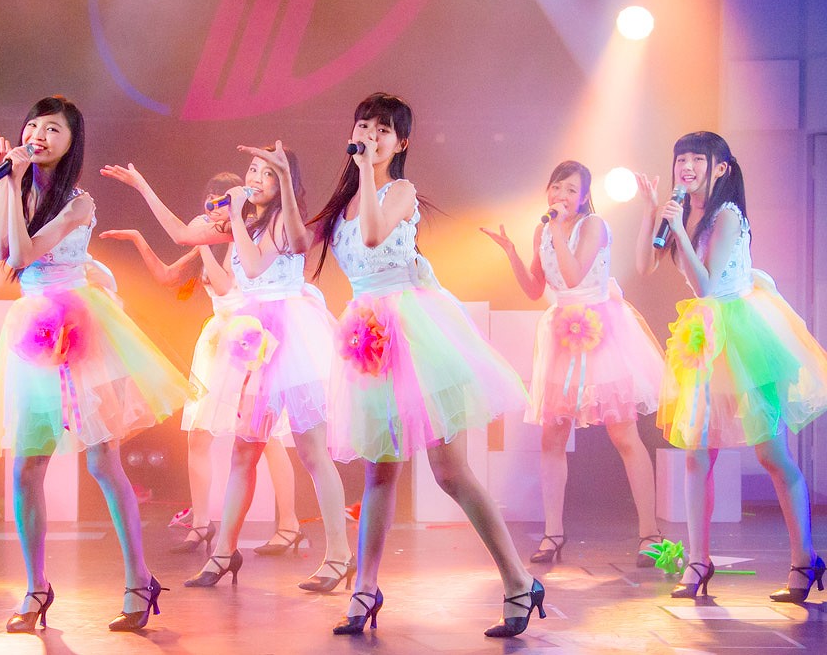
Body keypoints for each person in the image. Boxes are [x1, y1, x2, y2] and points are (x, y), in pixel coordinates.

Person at [310, 92, 542, 638]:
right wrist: (275, 180)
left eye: (383, 130)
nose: (371, 135)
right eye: (364, 126)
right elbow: (297, 243)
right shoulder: (344, 200)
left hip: (415, 333)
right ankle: (365, 589)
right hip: (368, 339)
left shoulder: (399, 191)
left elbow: (373, 237)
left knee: (449, 472)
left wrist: (365, 171)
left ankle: (518, 579)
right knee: (379, 470)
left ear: (401, 142)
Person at [0, 96, 190, 632]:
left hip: (78, 329)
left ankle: (139, 578)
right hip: (32, 333)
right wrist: (6, 183)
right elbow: (2, 250)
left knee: (102, 462)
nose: (39, 135)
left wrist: (10, 180)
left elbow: (24, 254)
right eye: (33, 125)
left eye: (54, 129)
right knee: (26, 468)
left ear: (72, 142)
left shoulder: (79, 202)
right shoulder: (14, 186)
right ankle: (35, 587)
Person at [101, 144, 352, 592]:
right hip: (254, 339)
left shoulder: (284, 221)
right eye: (252, 169)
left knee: (313, 451)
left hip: (292, 337)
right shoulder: (245, 219)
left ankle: (339, 556)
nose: (255, 179)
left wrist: (235, 215)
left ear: (284, 183)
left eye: (268, 173)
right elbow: (183, 234)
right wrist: (142, 186)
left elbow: (253, 266)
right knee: (243, 451)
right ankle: (222, 553)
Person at [635, 131, 827, 602]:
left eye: (698, 159)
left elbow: (705, 285)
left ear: (719, 168)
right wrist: (651, 214)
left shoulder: (726, 215)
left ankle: (805, 558)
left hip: (744, 336)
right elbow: (644, 267)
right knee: (696, 453)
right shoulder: (682, 212)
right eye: (681, 158)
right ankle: (699, 562)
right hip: (705, 338)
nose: (687, 166)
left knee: (770, 454)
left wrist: (679, 229)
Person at [100, 172, 302, 556]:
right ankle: (201, 524)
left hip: (248, 339)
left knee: (268, 435)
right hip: (216, 343)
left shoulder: (243, 236)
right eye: (210, 199)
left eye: (222, 200)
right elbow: (166, 277)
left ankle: (289, 524)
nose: (214, 207)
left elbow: (225, 286)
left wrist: (205, 242)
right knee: (198, 435)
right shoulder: (209, 239)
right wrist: (139, 239)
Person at [481, 161, 664, 566]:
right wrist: (513, 253)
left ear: (583, 198)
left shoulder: (593, 225)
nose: (560, 196)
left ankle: (650, 534)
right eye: (556, 187)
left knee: (624, 434)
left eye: (570, 190)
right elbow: (535, 289)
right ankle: (553, 534)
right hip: (563, 335)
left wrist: (557, 231)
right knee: (552, 438)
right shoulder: (542, 231)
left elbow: (574, 274)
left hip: (601, 331)